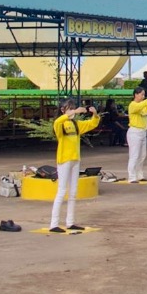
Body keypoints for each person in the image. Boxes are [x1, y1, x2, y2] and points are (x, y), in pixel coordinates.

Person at [49, 99, 100, 233]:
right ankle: (53, 223)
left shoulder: (76, 124)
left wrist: (95, 114)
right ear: (63, 110)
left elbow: (91, 124)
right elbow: (57, 122)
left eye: (73, 108)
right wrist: (74, 112)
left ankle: (70, 222)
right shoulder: (60, 124)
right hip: (64, 160)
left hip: (75, 159)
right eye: (69, 108)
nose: (72, 111)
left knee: (73, 193)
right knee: (61, 191)